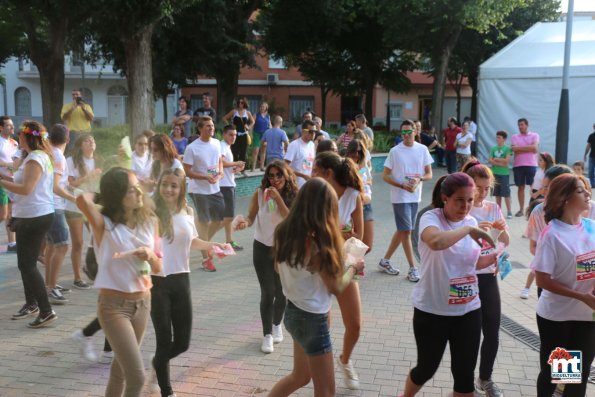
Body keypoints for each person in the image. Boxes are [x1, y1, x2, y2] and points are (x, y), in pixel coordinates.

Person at [399, 173, 497, 397]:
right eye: (460, 200)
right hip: (432, 311)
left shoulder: (471, 222)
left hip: (469, 309)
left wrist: (494, 258)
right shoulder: (431, 218)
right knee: (426, 368)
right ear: (445, 198)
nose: (466, 206)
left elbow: (473, 262)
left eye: (470, 200)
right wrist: (468, 229)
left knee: (464, 376)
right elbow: (436, 242)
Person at [268, 178, 365, 397]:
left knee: (300, 377)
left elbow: (276, 267)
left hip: (292, 312)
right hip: (312, 320)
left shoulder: (284, 231)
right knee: (326, 390)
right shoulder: (317, 244)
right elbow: (336, 287)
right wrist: (353, 268)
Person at [76, 167, 162, 397]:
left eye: (138, 187)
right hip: (113, 307)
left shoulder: (150, 221)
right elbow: (81, 199)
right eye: (131, 190)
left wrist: (150, 255)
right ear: (117, 195)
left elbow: (160, 267)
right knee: (137, 377)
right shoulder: (104, 224)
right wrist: (105, 195)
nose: (139, 193)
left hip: (143, 303)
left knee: (119, 372)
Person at [151, 168, 227, 397]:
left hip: (182, 280)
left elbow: (192, 240)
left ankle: (157, 363)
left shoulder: (187, 210)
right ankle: (166, 390)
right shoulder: (151, 211)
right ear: (159, 186)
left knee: (182, 342)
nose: (168, 189)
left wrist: (215, 246)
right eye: (165, 184)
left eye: (174, 185)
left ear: (181, 188)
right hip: (157, 281)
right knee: (164, 340)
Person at [532, 173, 595, 397]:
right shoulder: (552, 234)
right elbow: (543, 280)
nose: (588, 193)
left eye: (586, 189)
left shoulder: (591, 227)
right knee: (554, 375)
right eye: (580, 190)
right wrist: (582, 296)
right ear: (564, 199)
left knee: (577, 379)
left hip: (587, 317)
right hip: (558, 318)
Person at [312, 152, 365, 390]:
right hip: (319, 263)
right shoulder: (315, 194)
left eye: (315, 170)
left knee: (355, 325)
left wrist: (352, 264)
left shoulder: (353, 196)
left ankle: (344, 359)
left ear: (328, 173)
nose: (312, 174)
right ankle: (323, 364)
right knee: (324, 322)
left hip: (346, 261)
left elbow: (360, 239)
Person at [236, 160, 298, 354]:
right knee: (268, 292)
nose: (275, 179)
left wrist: (278, 198)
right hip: (262, 248)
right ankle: (267, 335)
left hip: (283, 250)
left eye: (279, 175)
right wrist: (243, 223)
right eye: (271, 176)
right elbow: (251, 217)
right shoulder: (260, 194)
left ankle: (277, 323)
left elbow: (291, 221)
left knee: (281, 292)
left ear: (286, 176)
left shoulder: (294, 195)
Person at [3, 121, 57, 328]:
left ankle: (45, 310)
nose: (18, 138)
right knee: (26, 263)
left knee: (27, 264)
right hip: (31, 214)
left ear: (28, 137)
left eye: (20, 135)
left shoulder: (35, 158)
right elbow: (21, 183)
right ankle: (32, 304)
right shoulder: (34, 157)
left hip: (35, 216)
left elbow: (26, 188)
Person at [463, 161, 509, 397]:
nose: (482, 193)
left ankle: (485, 378)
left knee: (492, 330)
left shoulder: (492, 208)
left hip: (488, 276)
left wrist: (501, 230)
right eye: (478, 187)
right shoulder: (463, 208)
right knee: (469, 333)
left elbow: (506, 241)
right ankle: (464, 380)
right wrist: (474, 230)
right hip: (466, 277)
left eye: (486, 188)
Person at [379, 120, 433, 281]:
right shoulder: (395, 151)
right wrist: (402, 185)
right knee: (407, 231)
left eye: (409, 132)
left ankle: (384, 261)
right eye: (403, 132)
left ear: (415, 132)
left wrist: (419, 180)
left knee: (403, 230)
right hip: (400, 197)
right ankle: (412, 268)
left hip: (415, 196)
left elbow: (429, 174)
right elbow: (385, 176)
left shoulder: (422, 149)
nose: (406, 135)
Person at [183, 116, 224, 272]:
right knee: (204, 223)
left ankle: (201, 242)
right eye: (207, 126)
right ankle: (206, 259)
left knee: (219, 219)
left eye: (212, 125)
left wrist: (220, 174)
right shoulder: (192, 148)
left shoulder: (216, 143)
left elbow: (219, 161)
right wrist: (204, 177)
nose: (211, 128)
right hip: (199, 190)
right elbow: (187, 171)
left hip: (215, 188)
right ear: (200, 128)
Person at [66, 133, 102, 290]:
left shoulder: (99, 160)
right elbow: (71, 184)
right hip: (75, 204)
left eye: (93, 140)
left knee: (99, 239)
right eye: (87, 140)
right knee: (78, 243)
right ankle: (77, 278)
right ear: (81, 145)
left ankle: (92, 268)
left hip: (94, 204)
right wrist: (89, 176)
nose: (91, 142)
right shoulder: (72, 161)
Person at [45, 124, 76, 305]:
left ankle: (49, 284)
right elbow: (55, 187)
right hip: (55, 206)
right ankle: (51, 287)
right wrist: (73, 198)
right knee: (62, 246)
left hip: (50, 206)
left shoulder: (51, 152)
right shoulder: (58, 156)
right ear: (68, 139)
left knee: (51, 246)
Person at [220, 125, 246, 251]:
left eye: (235, 135)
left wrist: (236, 169)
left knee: (228, 216)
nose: (233, 137)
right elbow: (221, 163)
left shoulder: (227, 147)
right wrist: (237, 163)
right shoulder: (222, 146)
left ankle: (229, 241)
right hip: (224, 186)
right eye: (230, 134)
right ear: (224, 134)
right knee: (228, 217)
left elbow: (226, 167)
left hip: (228, 183)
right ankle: (204, 237)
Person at [346, 139, 374, 253]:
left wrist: (365, 184)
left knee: (367, 246)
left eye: (360, 152)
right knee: (353, 244)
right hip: (351, 208)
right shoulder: (345, 167)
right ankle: (352, 267)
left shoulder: (363, 167)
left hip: (366, 206)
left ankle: (354, 264)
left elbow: (369, 181)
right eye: (354, 152)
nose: (357, 155)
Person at [511, 118, 539, 217]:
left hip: (531, 164)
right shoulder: (515, 137)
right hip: (518, 165)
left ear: (527, 125)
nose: (520, 126)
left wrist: (520, 148)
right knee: (520, 188)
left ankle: (534, 209)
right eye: (519, 125)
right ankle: (521, 210)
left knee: (533, 187)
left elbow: (535, 148)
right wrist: (529, 148)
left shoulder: (535, 135)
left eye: (522, 124)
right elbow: (515, 150)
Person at [0, 116, 18, 252]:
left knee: (11, 213)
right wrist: (8, 165)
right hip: (1, 181)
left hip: (12, 181)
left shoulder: (14, 143)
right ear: (1, 127)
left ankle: (12, 243)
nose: (12, 127)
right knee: (3, 214)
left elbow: (16, 163)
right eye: (8, 125)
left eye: (12, 125)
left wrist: (14, 167)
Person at [222, 97, 254, 170]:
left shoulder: (247, 113)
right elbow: (224, 118)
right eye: (239, 102)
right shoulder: (234, 111)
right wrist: (230, 125)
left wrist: (248, 127)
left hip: (244, 134)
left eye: (242, 102)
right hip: (235, 134)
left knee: (243, 152)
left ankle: (242, 169)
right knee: (234, 151)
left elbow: (253, 122)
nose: (240, 104)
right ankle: (234, 168)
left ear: (245, 103)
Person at [489, 131, 513, 219]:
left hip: (504, 174)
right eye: (497, 137)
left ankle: (509, 211)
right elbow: (490, 160)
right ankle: (499, 212)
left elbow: (507, 161)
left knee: (506, 193)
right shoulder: (493, 148)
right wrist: (500, 161)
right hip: (495, 173)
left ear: (504, 139)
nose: (497, 139)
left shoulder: (507, 149)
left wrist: (496, 160)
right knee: (497, 194)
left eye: (499, 137)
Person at [61, 89, 94, 154]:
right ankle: (73, 163)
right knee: (73, 151)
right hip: (73, 133)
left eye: (77, 94)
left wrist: (84, 110)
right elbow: (64, 118)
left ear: (81, 96)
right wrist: (72, 109)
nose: (75, 96)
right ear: (72, 96)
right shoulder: (67, 106)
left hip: (86, 132)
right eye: (73, 94)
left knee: (86, 151)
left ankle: (84, 163)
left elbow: (91, 118)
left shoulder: (87, 106)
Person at [284, 120, 316, 188]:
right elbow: (285, 166)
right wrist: (303, 175)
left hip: (308, 185)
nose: (313, 134)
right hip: (296, 186)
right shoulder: (294, 145)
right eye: (310, 131)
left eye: (315, 132)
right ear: (303, 131)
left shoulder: (312, 145)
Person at [251, 102, 271, 172]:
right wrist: (251, 134)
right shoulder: (256, 115)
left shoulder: (268, 116)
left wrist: (270, 134)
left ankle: (262, 166)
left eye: (263, 107)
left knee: (263, 151)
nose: (262, 108)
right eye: (261, 106)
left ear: (266, 108)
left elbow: (270, 125)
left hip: (265, 135)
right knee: (255, 151)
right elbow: (252, 124)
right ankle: (253, 167)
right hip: (256, 134)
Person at [582, 123, 595, 188]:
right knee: (591, 171)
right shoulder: (591, 136)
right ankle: (592, 185)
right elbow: (588, 146)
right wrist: (585, 154)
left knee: (591, 171)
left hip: (592, 156)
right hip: (592, 156)